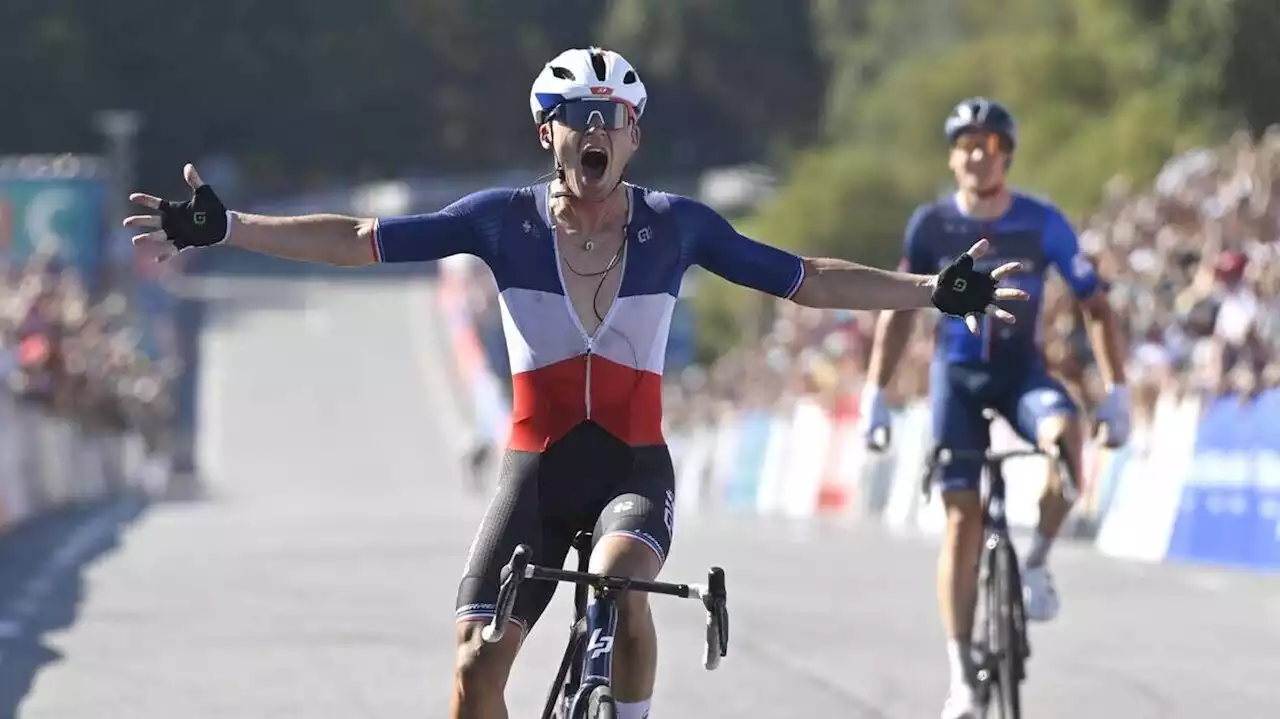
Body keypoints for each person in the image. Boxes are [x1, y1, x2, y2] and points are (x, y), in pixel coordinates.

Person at [124, 49, 1028, 719]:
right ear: (545, 133)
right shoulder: (499, 221)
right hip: (537, 470)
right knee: (477, 667)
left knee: (619, 582)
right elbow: (359, 239)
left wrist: (927, 292)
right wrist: (229, 226)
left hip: (635, 467)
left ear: (634, 137)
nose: (594, 131)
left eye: (612, 118)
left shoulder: (679, 228)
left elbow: (808, 277)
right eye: (574, 115)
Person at [859, 97, 1131, 719]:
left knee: (1066, 437)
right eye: (967, 143)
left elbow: (1095, 302)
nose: (979, 153)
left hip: (1021, 373)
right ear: (953, 157)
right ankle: (961, 673)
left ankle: (1034, 563)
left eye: (991, 143)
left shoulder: (1042, 223)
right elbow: (898, 309)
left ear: (1006, 153)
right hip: (956, 377)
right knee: (962, 519)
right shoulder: (928, 227)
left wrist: (1116, 390)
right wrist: (876, 392)